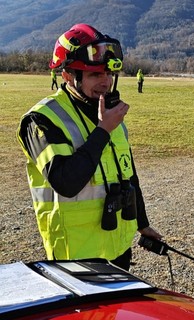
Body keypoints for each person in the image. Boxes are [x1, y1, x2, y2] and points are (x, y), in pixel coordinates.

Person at [17, 23, 162, 271]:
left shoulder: (107, 113)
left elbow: (128, 175)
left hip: (117, 248)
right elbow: (66, 181)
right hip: (76, 254)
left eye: (108, 73)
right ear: (68, 76)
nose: (105, 82)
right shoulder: (42, 120)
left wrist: (142, 222)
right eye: (95, 75)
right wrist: (103, 130)